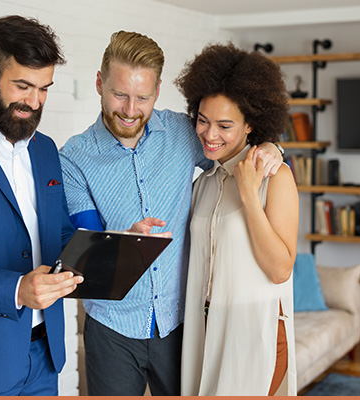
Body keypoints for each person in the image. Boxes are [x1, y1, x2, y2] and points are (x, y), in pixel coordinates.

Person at [59, 31, 284, 396]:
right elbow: (89, 258)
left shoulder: (183, 131)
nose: (130, 110)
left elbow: (232, 142)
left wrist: (273, 145)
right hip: (113, 327)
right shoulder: (73, 158)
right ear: (100, 83)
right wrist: (125, 243)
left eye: (142, 97)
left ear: (158, 91)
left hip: (182, 323)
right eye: (119, 94)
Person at [0, 15, 84, 396]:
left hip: (44, 359)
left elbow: (59, 232)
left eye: (44, 89)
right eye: (23, 86)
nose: (34, 101)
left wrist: (110, 250)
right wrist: (15, 290)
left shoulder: (45, 148)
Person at [175, 42, 299, 395]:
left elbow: (280, 269)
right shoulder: (205, 182)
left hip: (253, 327)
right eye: (202, 120)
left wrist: (248, 193)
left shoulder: (276, 178)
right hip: (204, 325)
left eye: (224, 125)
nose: (210, 135)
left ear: (250, 126)